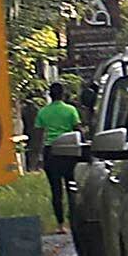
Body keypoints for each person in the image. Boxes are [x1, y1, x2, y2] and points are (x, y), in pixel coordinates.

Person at [32, 77, 86, 222]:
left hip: (51, 151)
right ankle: (74, 218)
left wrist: (37, 156)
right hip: (70, 150)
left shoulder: (43, 112)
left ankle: (60, 224)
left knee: (56, 190)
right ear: (63, 94)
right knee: (72, 187)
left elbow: (38, 135)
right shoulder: (70, 110)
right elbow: (78, 129)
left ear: (50, 95)